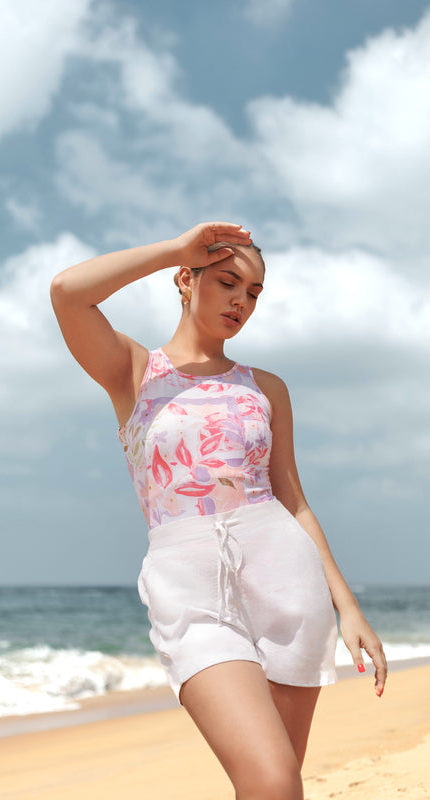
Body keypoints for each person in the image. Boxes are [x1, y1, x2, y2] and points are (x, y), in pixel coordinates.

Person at [50, 221, 387, 800]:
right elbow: (67, 292)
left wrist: (348, 608)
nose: (241, 302)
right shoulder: (133, 371)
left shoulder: (266, 388)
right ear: (186, 280)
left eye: (253, 292)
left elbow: (293, 501)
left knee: (274, 787)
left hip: (287, 580)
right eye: (228, 282)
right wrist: (173, 249)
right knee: (271, 777)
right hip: (190, 589)